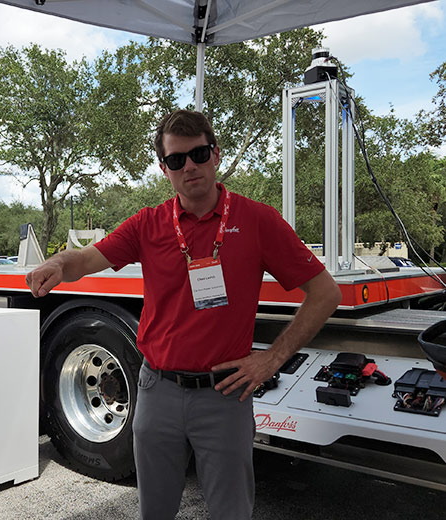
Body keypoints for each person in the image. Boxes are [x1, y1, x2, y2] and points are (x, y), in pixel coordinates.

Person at [25, 110, 342, 520]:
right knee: (155, 512)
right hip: (157, 391)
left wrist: (270, 360)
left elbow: (325, 293)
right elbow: (86, 259)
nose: (189, 166)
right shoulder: (149, 224)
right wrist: (58, 264)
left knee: (231, 512)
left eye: (199, 154)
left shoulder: (257, 221)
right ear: (165, 169)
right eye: (177, 159)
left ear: (216, 155)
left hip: (224, 396)